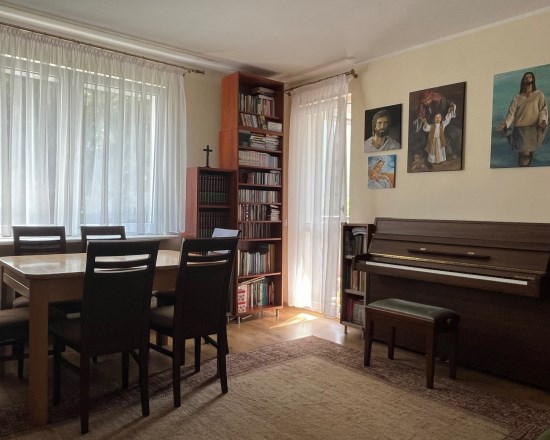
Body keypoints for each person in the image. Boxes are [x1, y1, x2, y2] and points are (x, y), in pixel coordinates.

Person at [496, 71, 548, 166]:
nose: (528, 79)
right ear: (523, 81)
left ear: (533, 80)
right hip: (519, 129)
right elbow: (511, 114)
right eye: (526, 77)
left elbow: (543, 110)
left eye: (530, 77)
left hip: (533, 128)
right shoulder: (517, 97)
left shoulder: (539, 95)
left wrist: (543, 121)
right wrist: (506, 124)